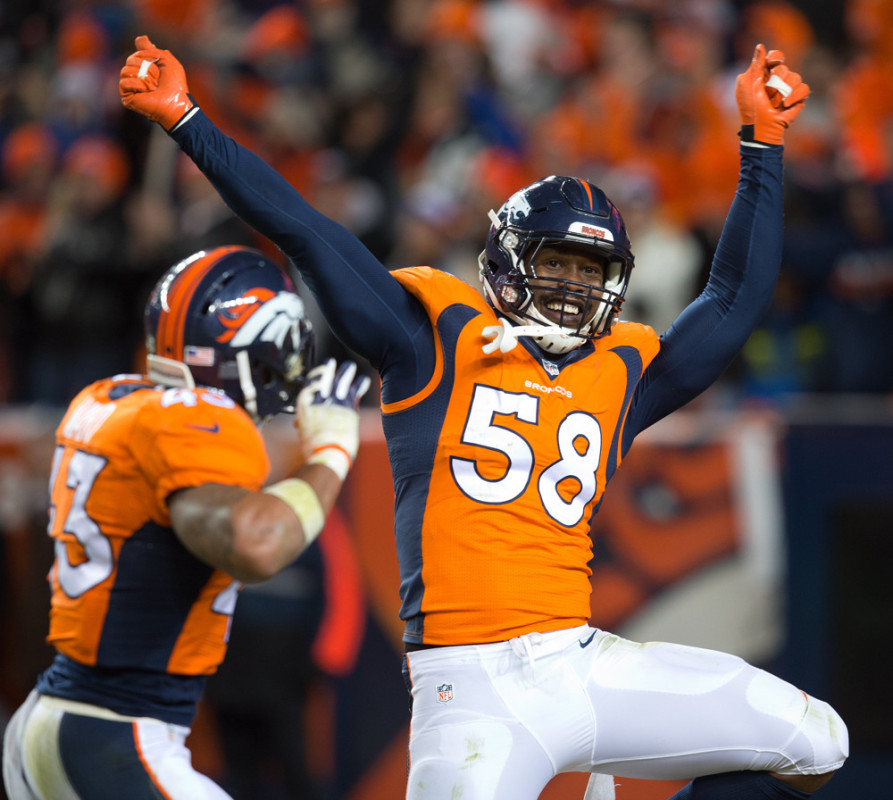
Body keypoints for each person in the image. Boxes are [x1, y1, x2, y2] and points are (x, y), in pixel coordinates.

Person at [118, 37, 849, 800]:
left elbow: (731, 301)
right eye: (555, 263)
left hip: (584, 658)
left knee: (818, 741)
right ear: (505, 261)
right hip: (469, 687)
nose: (572, 287)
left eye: (589, 270)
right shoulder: (430, 335)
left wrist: (762, 142)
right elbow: (304, 228)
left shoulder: (622, 369)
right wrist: (186, 119)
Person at [2, 245, 370, 800]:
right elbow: (255, 543)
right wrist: (330, 456)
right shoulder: (199, 420)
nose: (285, 371)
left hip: (50, 718)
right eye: (277, 351)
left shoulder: (106, 400)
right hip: (116, 734)